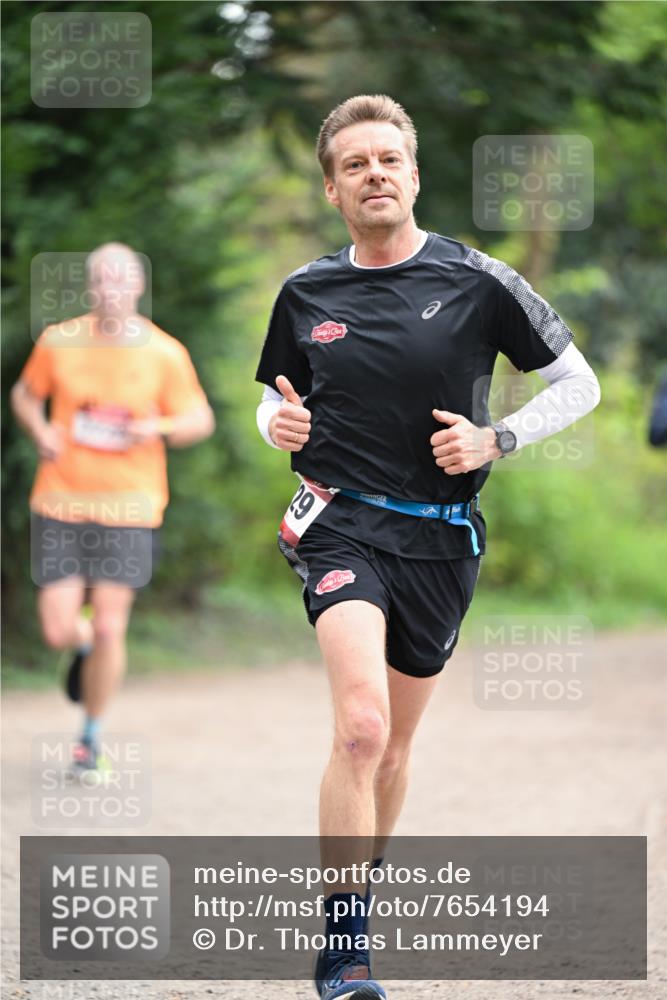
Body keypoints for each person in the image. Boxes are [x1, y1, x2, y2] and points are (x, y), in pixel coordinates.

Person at [255, 95, 600, 1000]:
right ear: (333, 190)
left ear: (413, 176)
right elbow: (273, 399)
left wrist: (498, 439)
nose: (373, 174)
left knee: (396, 748)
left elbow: (579, 384)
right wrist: (275, 424)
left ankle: (359, 901)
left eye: (387, 160)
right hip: (339, 522)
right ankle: (343, 949)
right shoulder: (305, 292)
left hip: (440, 539)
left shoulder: (479, 280)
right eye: (354, 165)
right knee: (361, 727)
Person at [11, 242, 215, 772]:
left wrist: (159, 427)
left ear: (138, 286)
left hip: (131, 507)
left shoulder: (164, 352)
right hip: (60, 500)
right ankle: (81, 650)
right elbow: (24, 396)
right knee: (60, 629)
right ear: (89, 286)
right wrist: (41, 433)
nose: (111, 290)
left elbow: (200, 420)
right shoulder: (59, 341)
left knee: (109, 627)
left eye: (121, 280)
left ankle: (90, 738)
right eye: (101, 280)